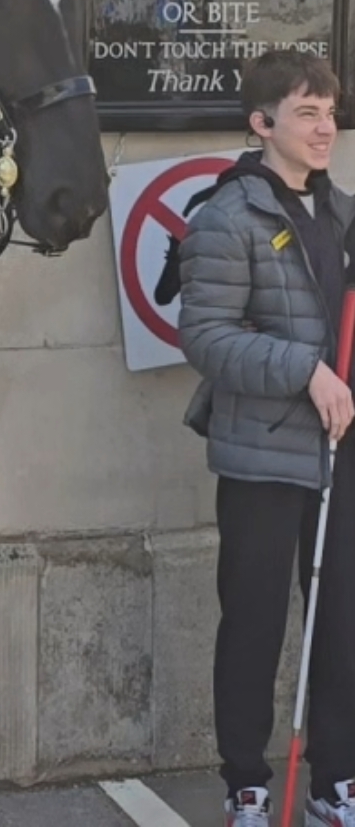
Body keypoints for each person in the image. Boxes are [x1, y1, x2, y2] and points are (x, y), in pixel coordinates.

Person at [179, 49, 355, 827]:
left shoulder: (345, 214)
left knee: (341, 619)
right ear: (261, 124)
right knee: (252, 620)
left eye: (330, 111)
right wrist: (304, 371)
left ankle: (334, 777)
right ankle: (245, 780)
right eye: (306, 113)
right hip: (261, 453)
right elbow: (207, 339)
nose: (325, 128)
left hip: (337, 451)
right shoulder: (225, 217)